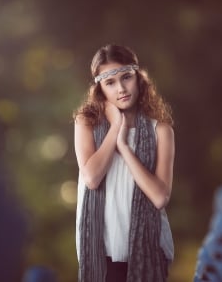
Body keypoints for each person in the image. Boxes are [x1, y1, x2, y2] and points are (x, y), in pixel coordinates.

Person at [73, 44, 175, 282]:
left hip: (148, 251)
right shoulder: (86, 123)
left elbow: (160, 197)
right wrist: (116, 127)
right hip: (102, 255)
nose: (121, 88)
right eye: (110, 83)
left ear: (138, 78)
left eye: (126, 77)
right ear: (100, 89)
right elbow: (91, 177)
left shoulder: (161, 130)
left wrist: (125, 149)